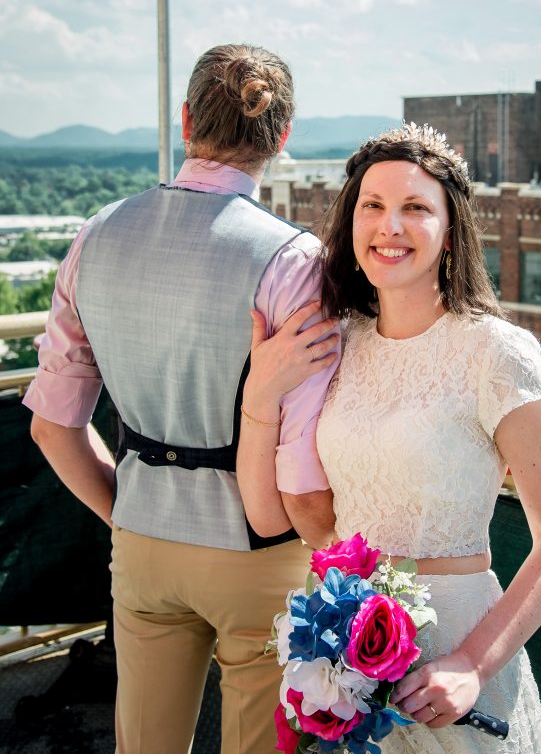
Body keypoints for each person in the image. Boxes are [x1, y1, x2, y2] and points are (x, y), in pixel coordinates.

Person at [25, 43, 339, 754]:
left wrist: (130, 511)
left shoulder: (96, 235)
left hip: (141, 542)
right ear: (281, 138)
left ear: (188, 119)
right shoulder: (295, 262)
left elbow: (52, 427)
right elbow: (304, 471)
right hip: (259, 553)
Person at [237, 122, 541, 753]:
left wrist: (473, 665)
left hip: (454, 648)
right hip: (344, 656)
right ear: (351, 223)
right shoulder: (335, 343)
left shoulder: (497, 353)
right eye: (372, 206)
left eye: (415, 208)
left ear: (450, 233)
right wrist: (260, 395)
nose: (388, 226)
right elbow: (267, 519)